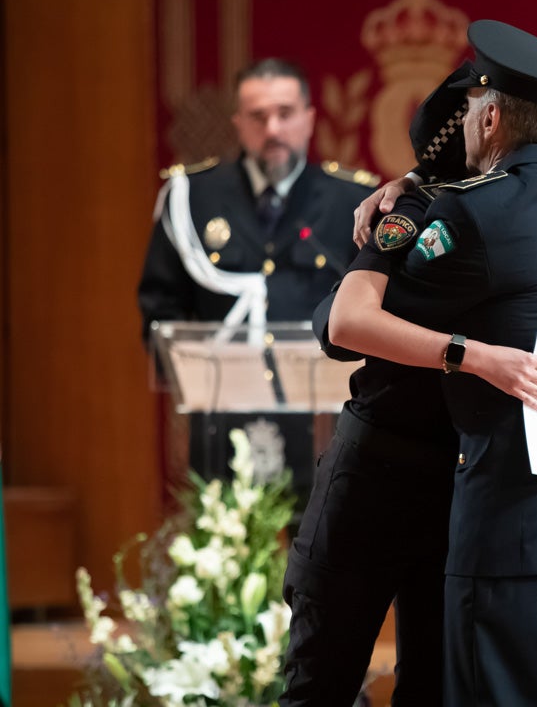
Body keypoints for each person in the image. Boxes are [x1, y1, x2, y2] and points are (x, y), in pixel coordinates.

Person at [280, 62, 537, 706]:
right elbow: (338, 327)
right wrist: (468, 351)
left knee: (433, 688)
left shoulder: (532, 197)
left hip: (461, 487)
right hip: (378, 474)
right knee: (322, 681)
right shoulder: (419, 211)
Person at [136, 58, 377, 495]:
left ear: (309, 119)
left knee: (320, 555)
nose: (273, 130)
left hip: (325, 426)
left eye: (285, 114)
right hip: (223, 424)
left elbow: (375, 308)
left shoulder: (354, 202)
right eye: (258, 116)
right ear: (238, 123)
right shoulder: (192, 198)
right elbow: (160, 303)